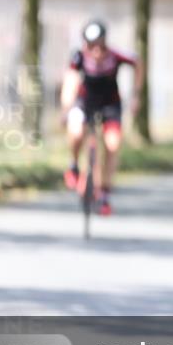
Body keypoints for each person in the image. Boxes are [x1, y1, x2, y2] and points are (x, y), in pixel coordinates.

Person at [60, 20, 143, 216]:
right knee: (76, 130)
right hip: (84, 103)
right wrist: (65, 109)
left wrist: (136, 95)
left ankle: (104, 192)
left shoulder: (115, 56)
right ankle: (73, 165)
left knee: (112, 144)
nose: (96, 51)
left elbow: (138, 62)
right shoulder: (78, 57)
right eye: (91, 46)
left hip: (110, 105)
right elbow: (70, 82)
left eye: (100, 45)